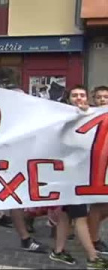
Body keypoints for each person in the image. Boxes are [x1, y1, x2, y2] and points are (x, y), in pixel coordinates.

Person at [48, 86, 108, 269]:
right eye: (75, 95)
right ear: (69, 99)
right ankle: (93, 258)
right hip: (69, 175)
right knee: (80, 216)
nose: (79, 98)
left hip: (80, 174)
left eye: (82, 95)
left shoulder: (90, 115)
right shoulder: (63, 117)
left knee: (66, 216)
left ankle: (58, 252)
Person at [88, 85, 108, 254]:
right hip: (94, 167)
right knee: (98, 204)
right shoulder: (87, 116)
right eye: (99, 97)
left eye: (106, 97)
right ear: (94, 99)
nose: (102, 99)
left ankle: (86, 229)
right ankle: (93, 239)